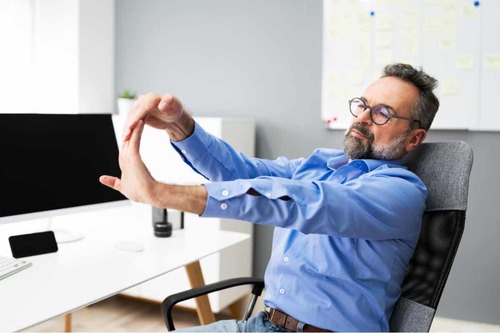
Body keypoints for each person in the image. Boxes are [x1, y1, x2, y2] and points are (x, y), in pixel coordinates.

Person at [100, 63, 439, 332]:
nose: (362, 118)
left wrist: (162, 193)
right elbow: (241, 172)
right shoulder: (319, 165)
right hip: (262, 324)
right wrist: (180, 126)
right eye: (362, 105)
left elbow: (305, 204)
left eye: (382, 113)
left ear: (413, 138)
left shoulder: (401, 192)